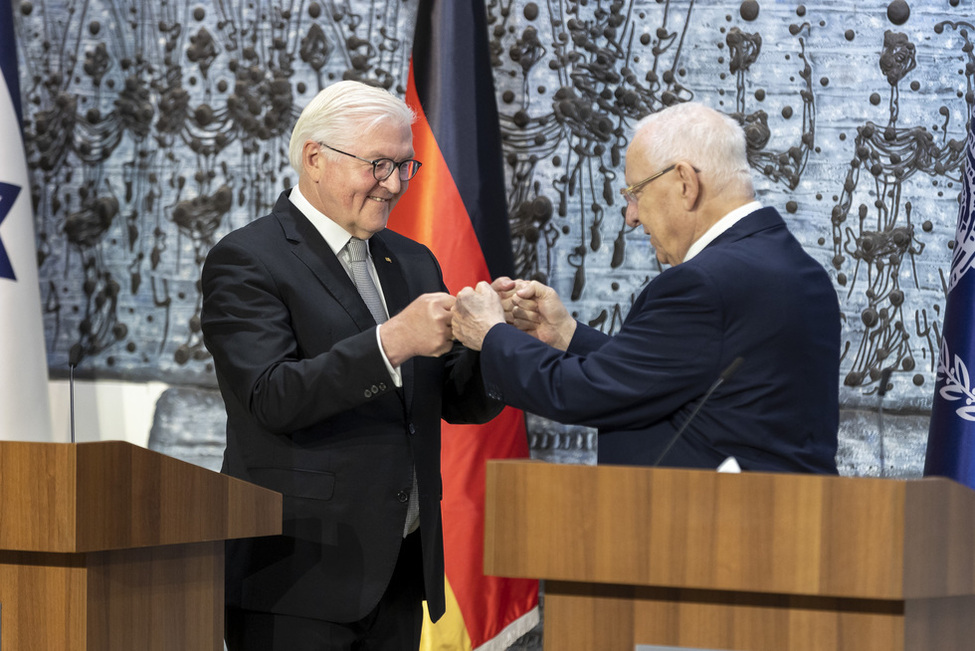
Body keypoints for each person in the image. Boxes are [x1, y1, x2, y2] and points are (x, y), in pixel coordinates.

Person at [201, 80, 502, 651]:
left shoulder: (412, 260)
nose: (393, 184)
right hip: (295, 579)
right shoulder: (246, 259)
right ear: (315, 158)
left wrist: (498, 342)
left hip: (398, 569)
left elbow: (456, 401)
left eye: (404, 166)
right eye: (378, 164)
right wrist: (389, 344)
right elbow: (271, 395)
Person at [451, 101, 840, 473]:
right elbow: (672, 379)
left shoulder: (703, 284)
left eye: (635, 193)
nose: (631, 217)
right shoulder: (797, 269)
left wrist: (492, 334)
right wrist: (568, 336)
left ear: (685, 182)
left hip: (713, 529)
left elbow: (585, 394)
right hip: (790, 522)